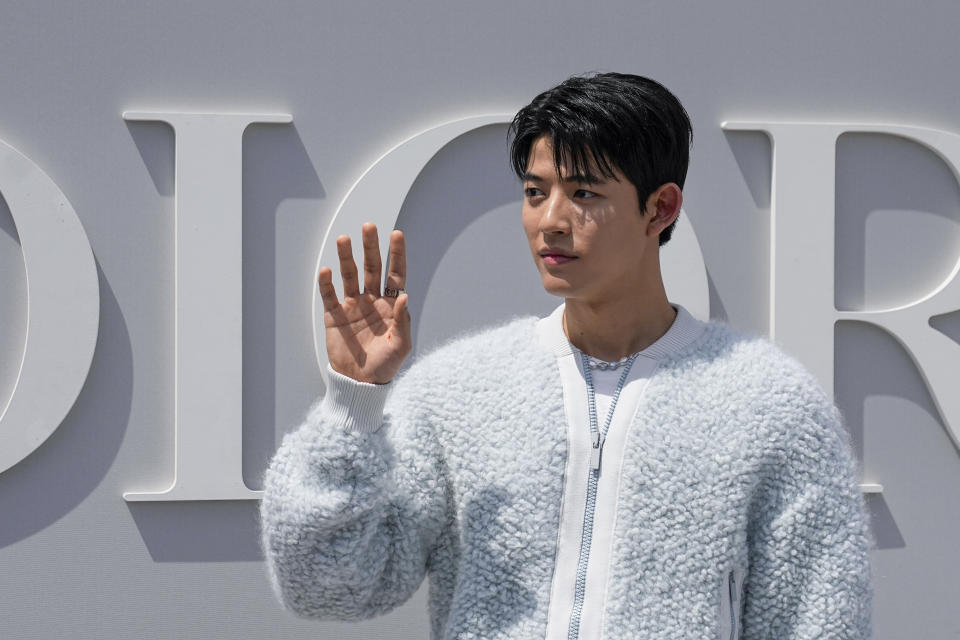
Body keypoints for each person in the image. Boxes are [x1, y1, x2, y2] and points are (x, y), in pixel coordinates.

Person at [260, 73, 872, 639]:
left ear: (659, 209)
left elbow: (820, 622)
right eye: (535, 191)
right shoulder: (459, 393)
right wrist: (353, 405)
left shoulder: (769, 404)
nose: (550, 220)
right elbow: (328, 589)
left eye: (583, 192)